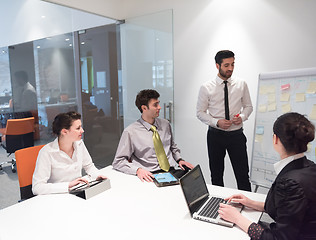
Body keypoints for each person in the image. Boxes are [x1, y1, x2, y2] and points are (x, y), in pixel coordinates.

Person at [218, 112, 316, 240]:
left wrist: (237, 218)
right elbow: (288, 209)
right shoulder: (309, 167)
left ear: (275, 139)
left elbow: (277, 238)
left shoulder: (290, 182)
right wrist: (251, 203)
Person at [196, 50, 253, 191]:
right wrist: (217, 122)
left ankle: (246, 209)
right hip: (216, 136)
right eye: (226, 65)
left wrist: (242, 117)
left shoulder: (241, 84)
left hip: (237, 136)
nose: (230, 69)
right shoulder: (206, 87)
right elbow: (200, 112)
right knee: (216, 175)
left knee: (242, 175)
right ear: (217, 66)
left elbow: (248, 106)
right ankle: (218, 207)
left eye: (233, 64)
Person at [112, 89, 194, 182]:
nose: (159, 107)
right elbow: (118, 162)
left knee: (193, 183)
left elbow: (172, 147)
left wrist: (179, 160)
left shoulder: (165, 124)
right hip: (150, 175)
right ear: (144, 108)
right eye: (155, 105)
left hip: (171, 171)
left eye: (158, 103)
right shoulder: (130, 132)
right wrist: (137, 170)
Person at [32, 111, 107, 195]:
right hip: (57, 196)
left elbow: (89, 166)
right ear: (64, 132)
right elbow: (37, 188)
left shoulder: (79, 144)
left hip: (78, 192)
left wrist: (97, 175)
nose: (82, 131)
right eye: (78, 128)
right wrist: (68, 185)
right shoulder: (47, 152)